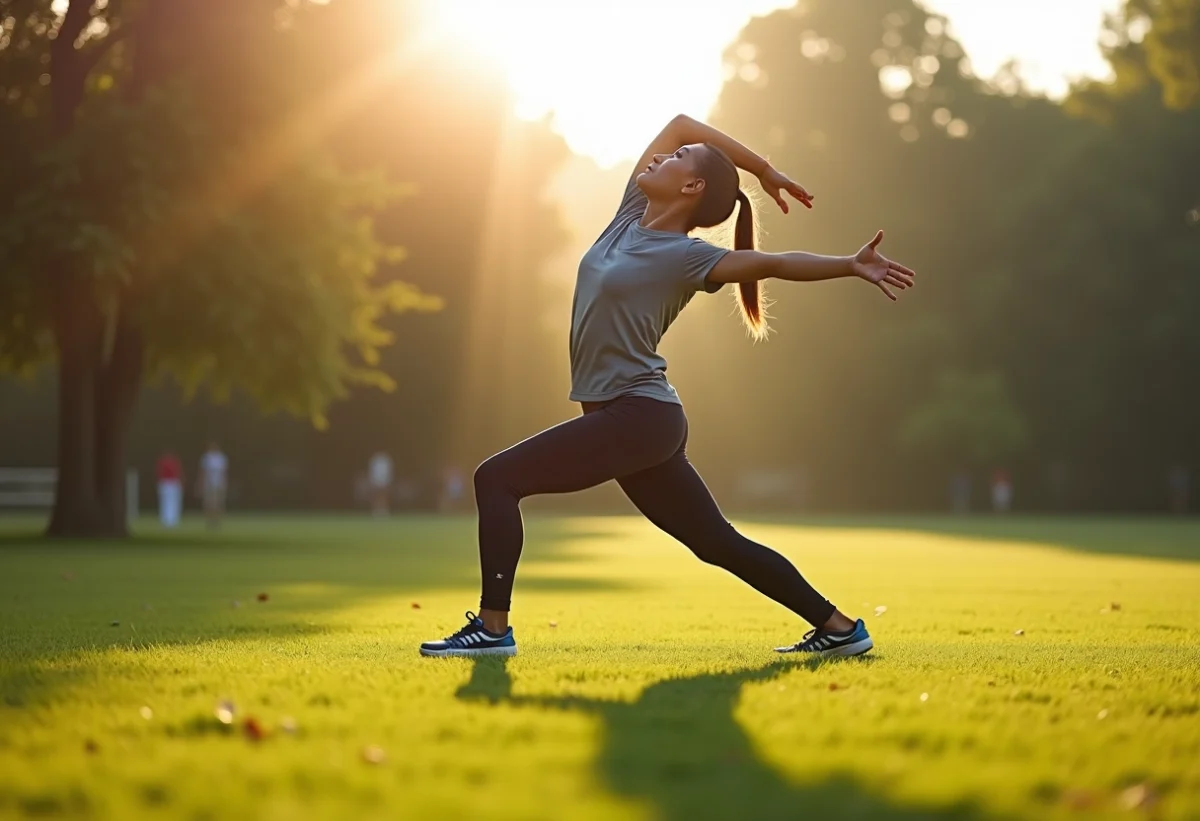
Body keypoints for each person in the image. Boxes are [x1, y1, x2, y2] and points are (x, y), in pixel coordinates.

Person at [420, 114, 915, 659]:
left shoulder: (688, 257)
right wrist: (764, 169)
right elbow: (680, 125)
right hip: (634, 420)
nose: (660, 156)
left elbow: (772, 261)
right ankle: (841, 629)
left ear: (692, 187)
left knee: (496, 479)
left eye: (677, 161)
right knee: (715, 542)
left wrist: (848, 264)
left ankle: (492, 631)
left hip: (638, 416)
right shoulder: (628, 217)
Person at [198, 441, 228, 529]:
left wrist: (225, 484)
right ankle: (209, 521)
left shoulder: (221, 458)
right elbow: (202, 472)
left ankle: (217, 521)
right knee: (209, 504)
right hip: (209, 485)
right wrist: (201, 483)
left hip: (218, 484)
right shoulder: (207, 458)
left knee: (218, 503)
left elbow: (224, 473)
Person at [155, 450, 183, 528]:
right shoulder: (172, 462)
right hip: (169, 483)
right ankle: (170, 520)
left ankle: (169, 519)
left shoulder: (165, 462)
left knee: (167, 502)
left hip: (169, 483)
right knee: (170, 502)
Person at [368, 450, 393, 517]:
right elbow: (372, 471)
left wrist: (387, 481)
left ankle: (384, 510)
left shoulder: (386, 459)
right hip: (376, 481)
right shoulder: (374, 459)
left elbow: (389, 471)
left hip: (384, 481)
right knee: (376, 496)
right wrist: (373, 481)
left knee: (384, 496)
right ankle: (376, 511)